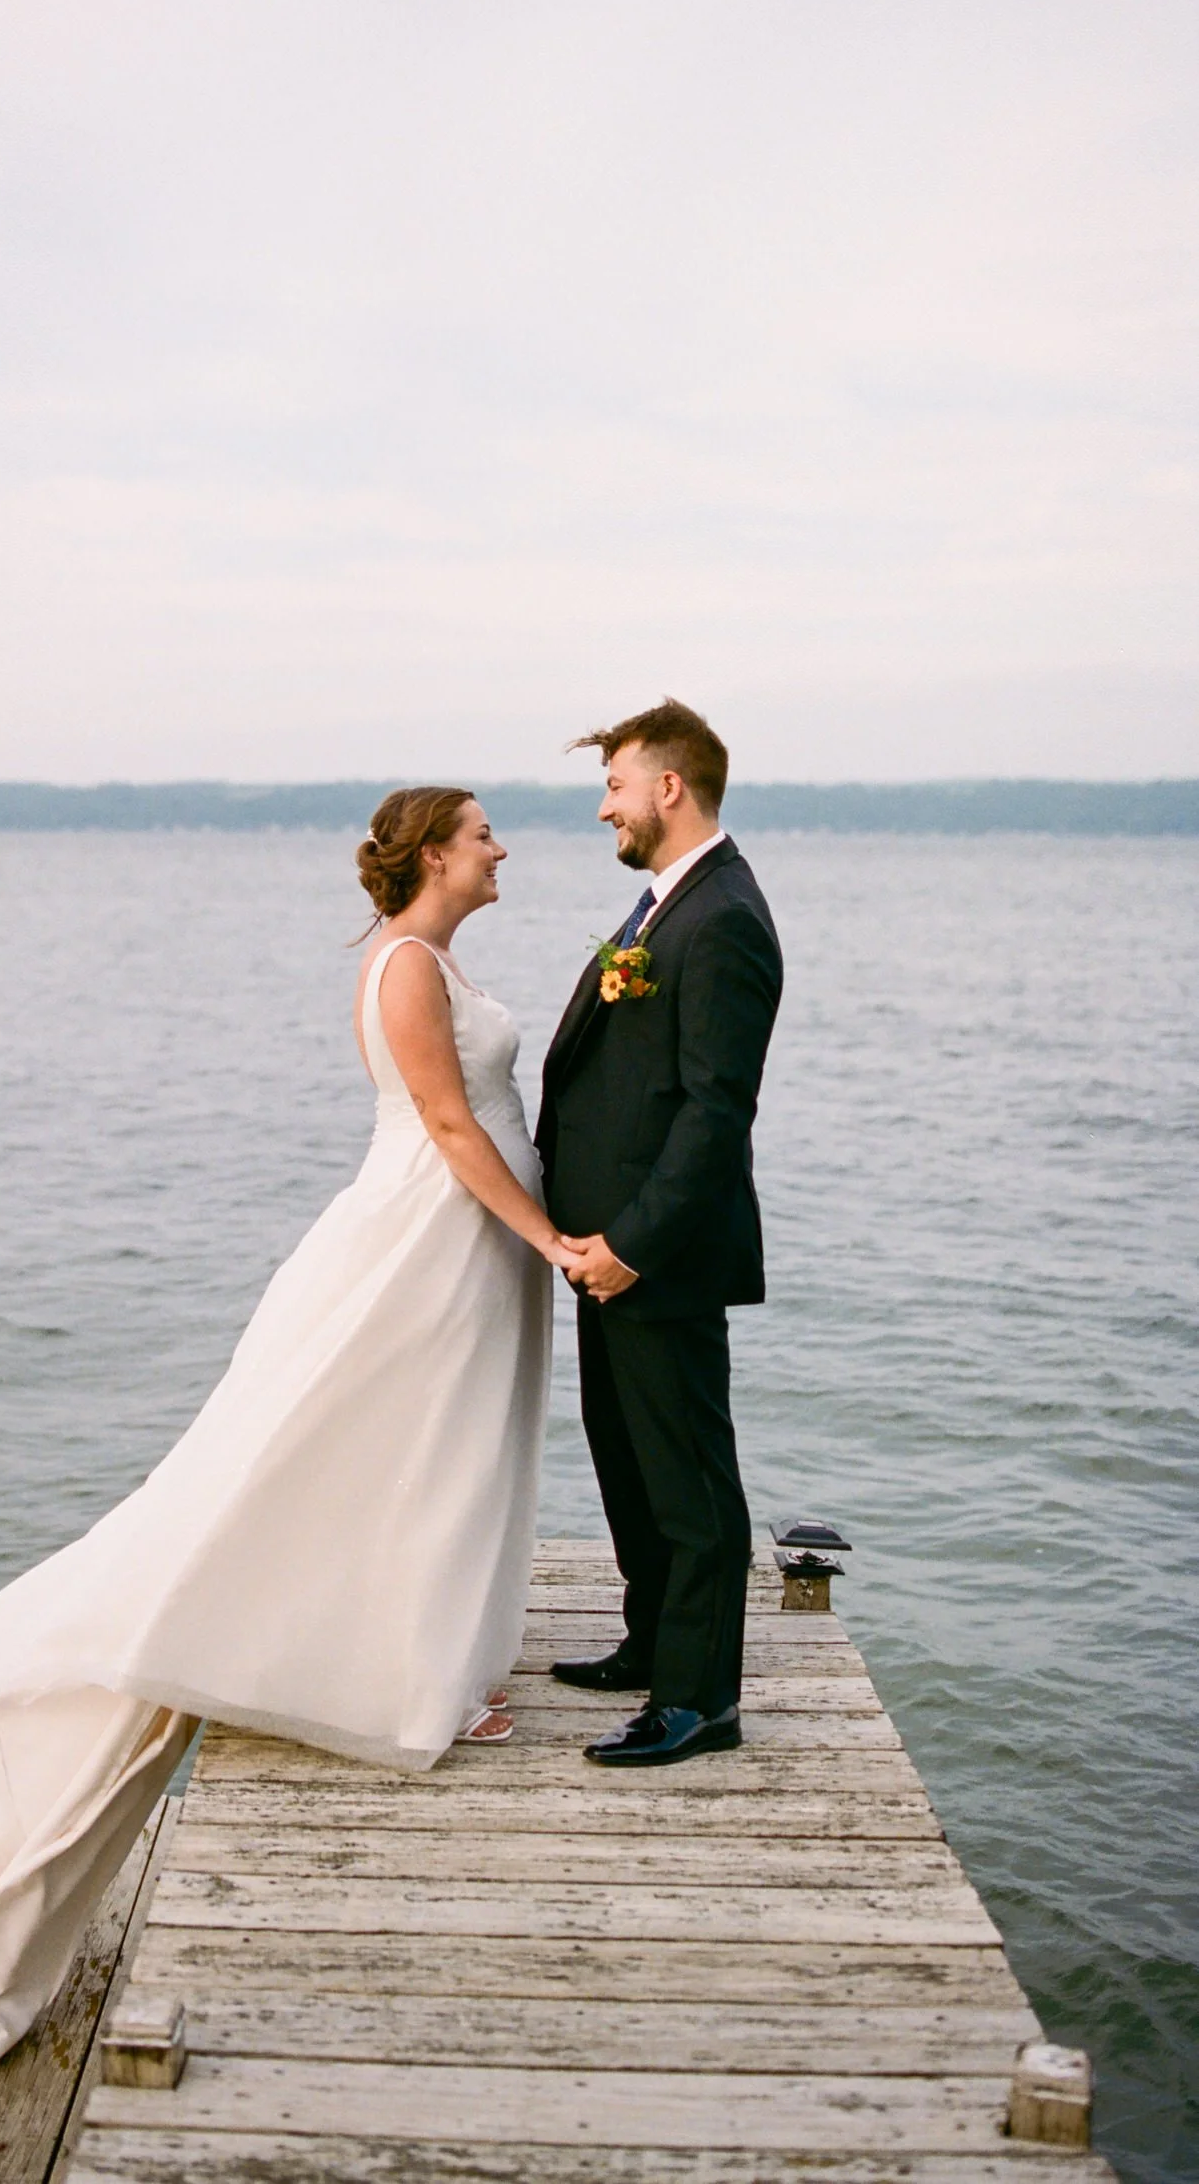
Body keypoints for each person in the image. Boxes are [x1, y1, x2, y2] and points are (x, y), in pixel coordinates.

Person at [0, 786, 564, 2086]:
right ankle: (393, 1671)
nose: (502, 846)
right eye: (483, 831)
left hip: (467, 1243)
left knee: (446, 1449)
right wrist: (549, 1240)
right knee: (382, 1450)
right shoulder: (402, 966)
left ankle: (441, 1656)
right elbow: (448, 1125)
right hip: (427, 1241)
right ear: (434, 856)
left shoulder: (443, 958)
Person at [538, 699, 783, 1767]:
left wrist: (630, 1243)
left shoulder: (721, 916)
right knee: (626, 1460)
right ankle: (650, 1641)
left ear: (668, 788)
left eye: (615, 787)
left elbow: (711, 1111)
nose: (605, 809)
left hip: (658, 1257)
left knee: (687, 1481)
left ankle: (696, 1701)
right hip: (608, 1253)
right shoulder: (660, 907)